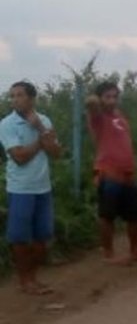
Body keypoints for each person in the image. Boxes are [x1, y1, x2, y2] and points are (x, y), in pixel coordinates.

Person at [0, 82, 62, 295]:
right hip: (20, 188)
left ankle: (33, 278)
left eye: (20, 95)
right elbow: (19, 157)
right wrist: (40, 140)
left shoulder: (44, 120)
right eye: (12, 96)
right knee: (19, 237)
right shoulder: (7, 124)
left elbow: (56, 152)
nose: (15, 99)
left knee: (42, 236)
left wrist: (40, 129)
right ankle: (24, 280)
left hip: (42, 187)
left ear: (32, 98)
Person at [86, 81, 137, 265]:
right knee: (107, 216)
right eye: (108, 96)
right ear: (100, 99)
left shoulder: (119, 116)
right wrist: (99, 102)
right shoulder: (97, 116)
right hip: (108, 173)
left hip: (128, 174)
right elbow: (90, 102)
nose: (113, 100)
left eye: (115, 96)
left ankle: (135, 250)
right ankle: (108, 253)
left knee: (135, 214)